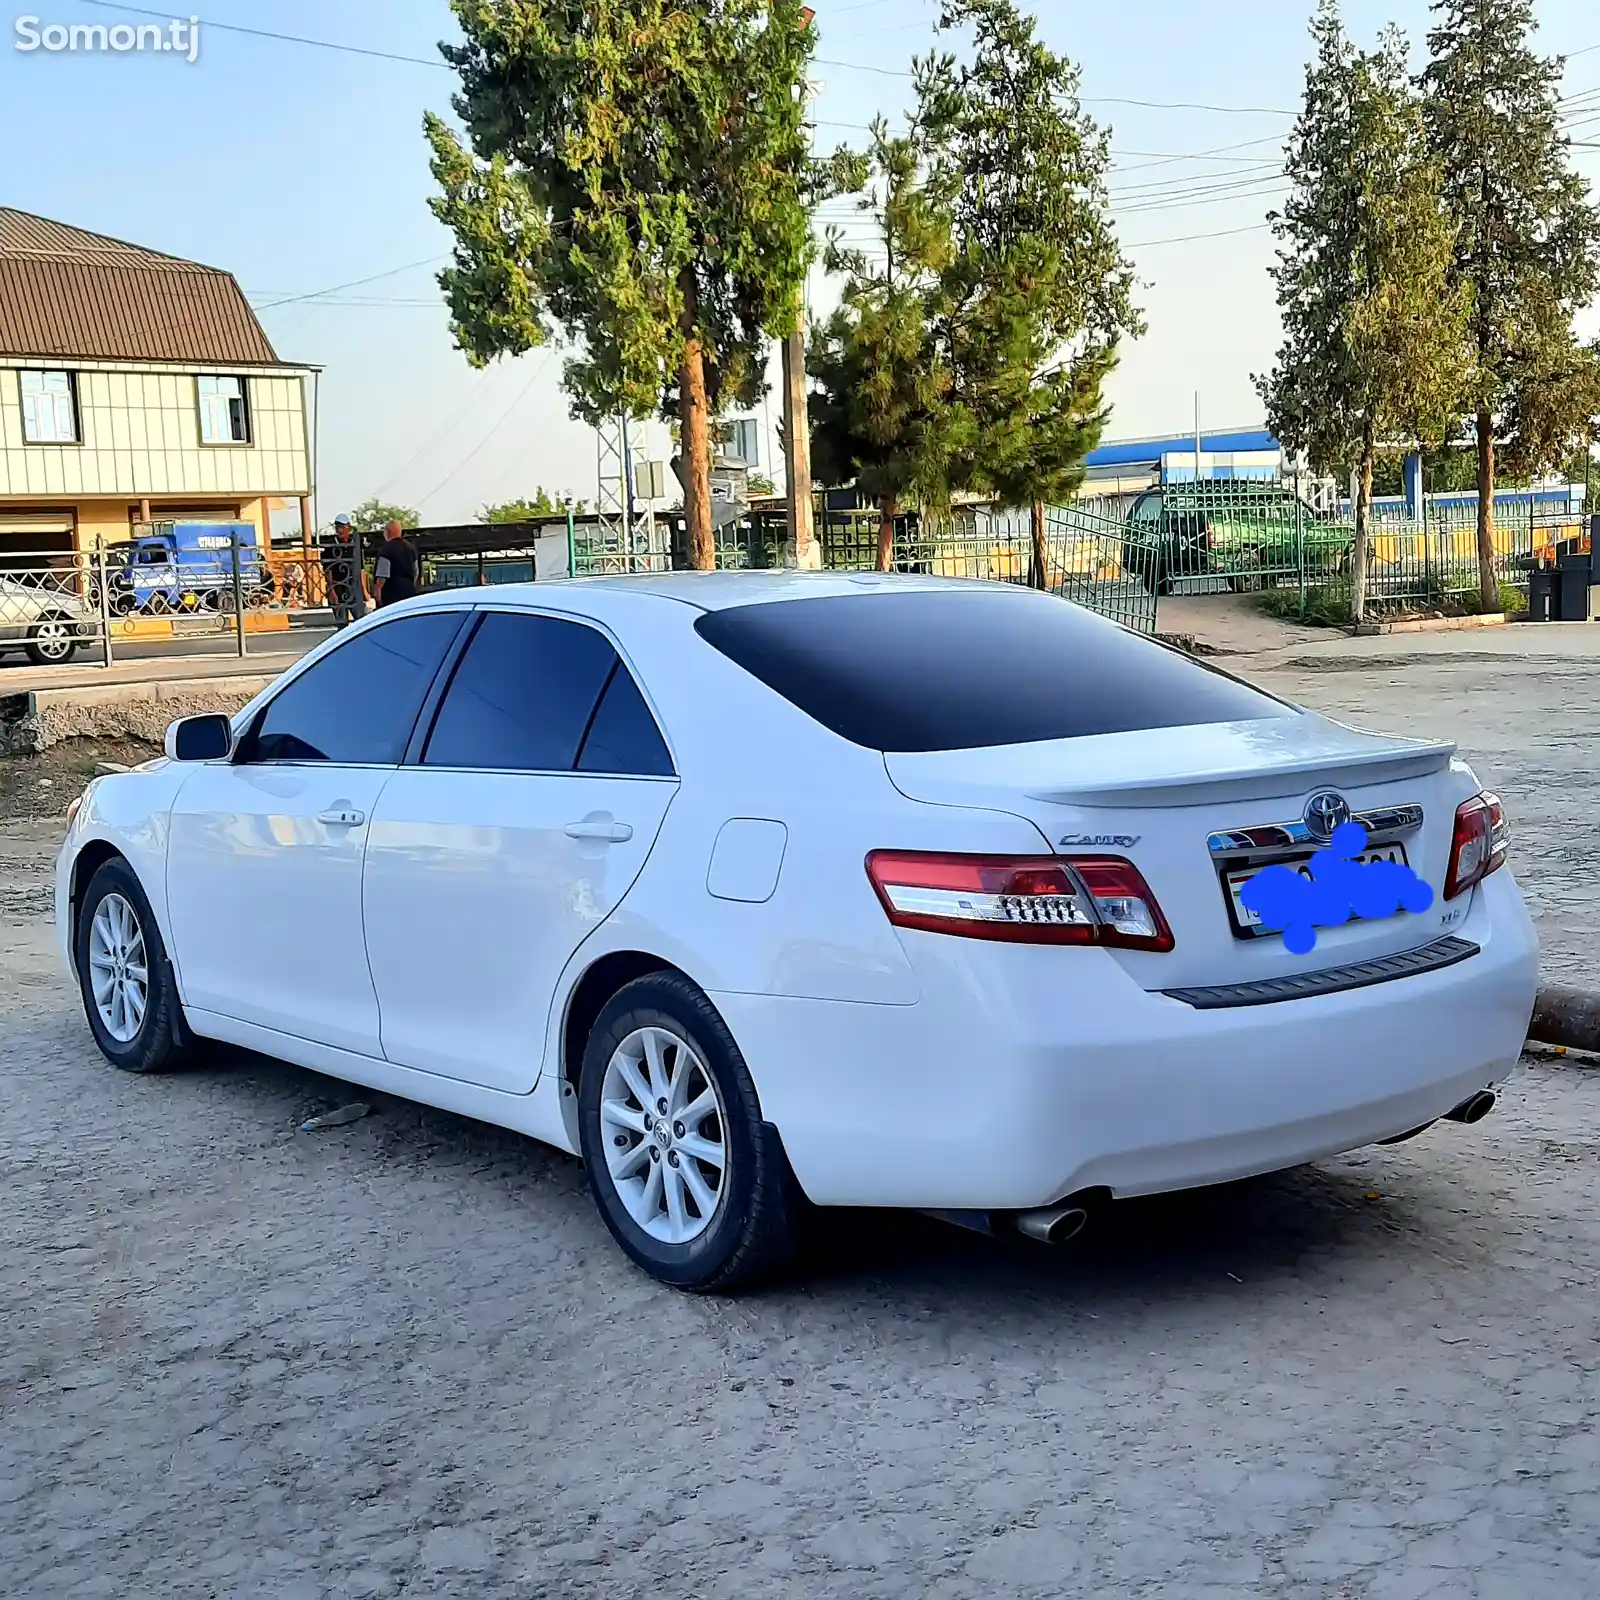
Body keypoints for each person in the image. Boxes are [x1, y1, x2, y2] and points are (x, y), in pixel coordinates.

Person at [319, 513, 363, 628]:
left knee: (360, 621)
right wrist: (332, 591)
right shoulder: (331, 546)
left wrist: (365, 591)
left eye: (342, 527)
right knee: (342, 623)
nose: (340, 530)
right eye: (338, 527)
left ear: (348, 527)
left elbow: (361, 569)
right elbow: (328, 570)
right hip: (338, 587)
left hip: (353, 587)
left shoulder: (354, 544)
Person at [373, 519, 418, 608]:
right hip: (408, 590)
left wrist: (378, 590)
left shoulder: (386, 549)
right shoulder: (411, 548)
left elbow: (383, 573)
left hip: (391, 592)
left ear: (387, 532)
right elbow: (416, 572)